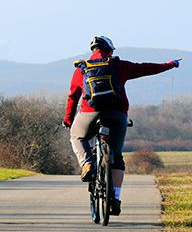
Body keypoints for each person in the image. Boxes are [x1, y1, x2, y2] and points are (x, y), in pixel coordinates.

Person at [63, 35, 181, 215]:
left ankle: (87, 163)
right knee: (116, 156)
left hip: (89, 112)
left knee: (77, 136)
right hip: (117, 113)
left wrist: (69, 119)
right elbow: (145, 69)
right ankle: (115, 198)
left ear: (93, 50)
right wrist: (169, 64)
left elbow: (73, 96)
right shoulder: (120, 65)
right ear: (110, 50)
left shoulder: (82, 68)